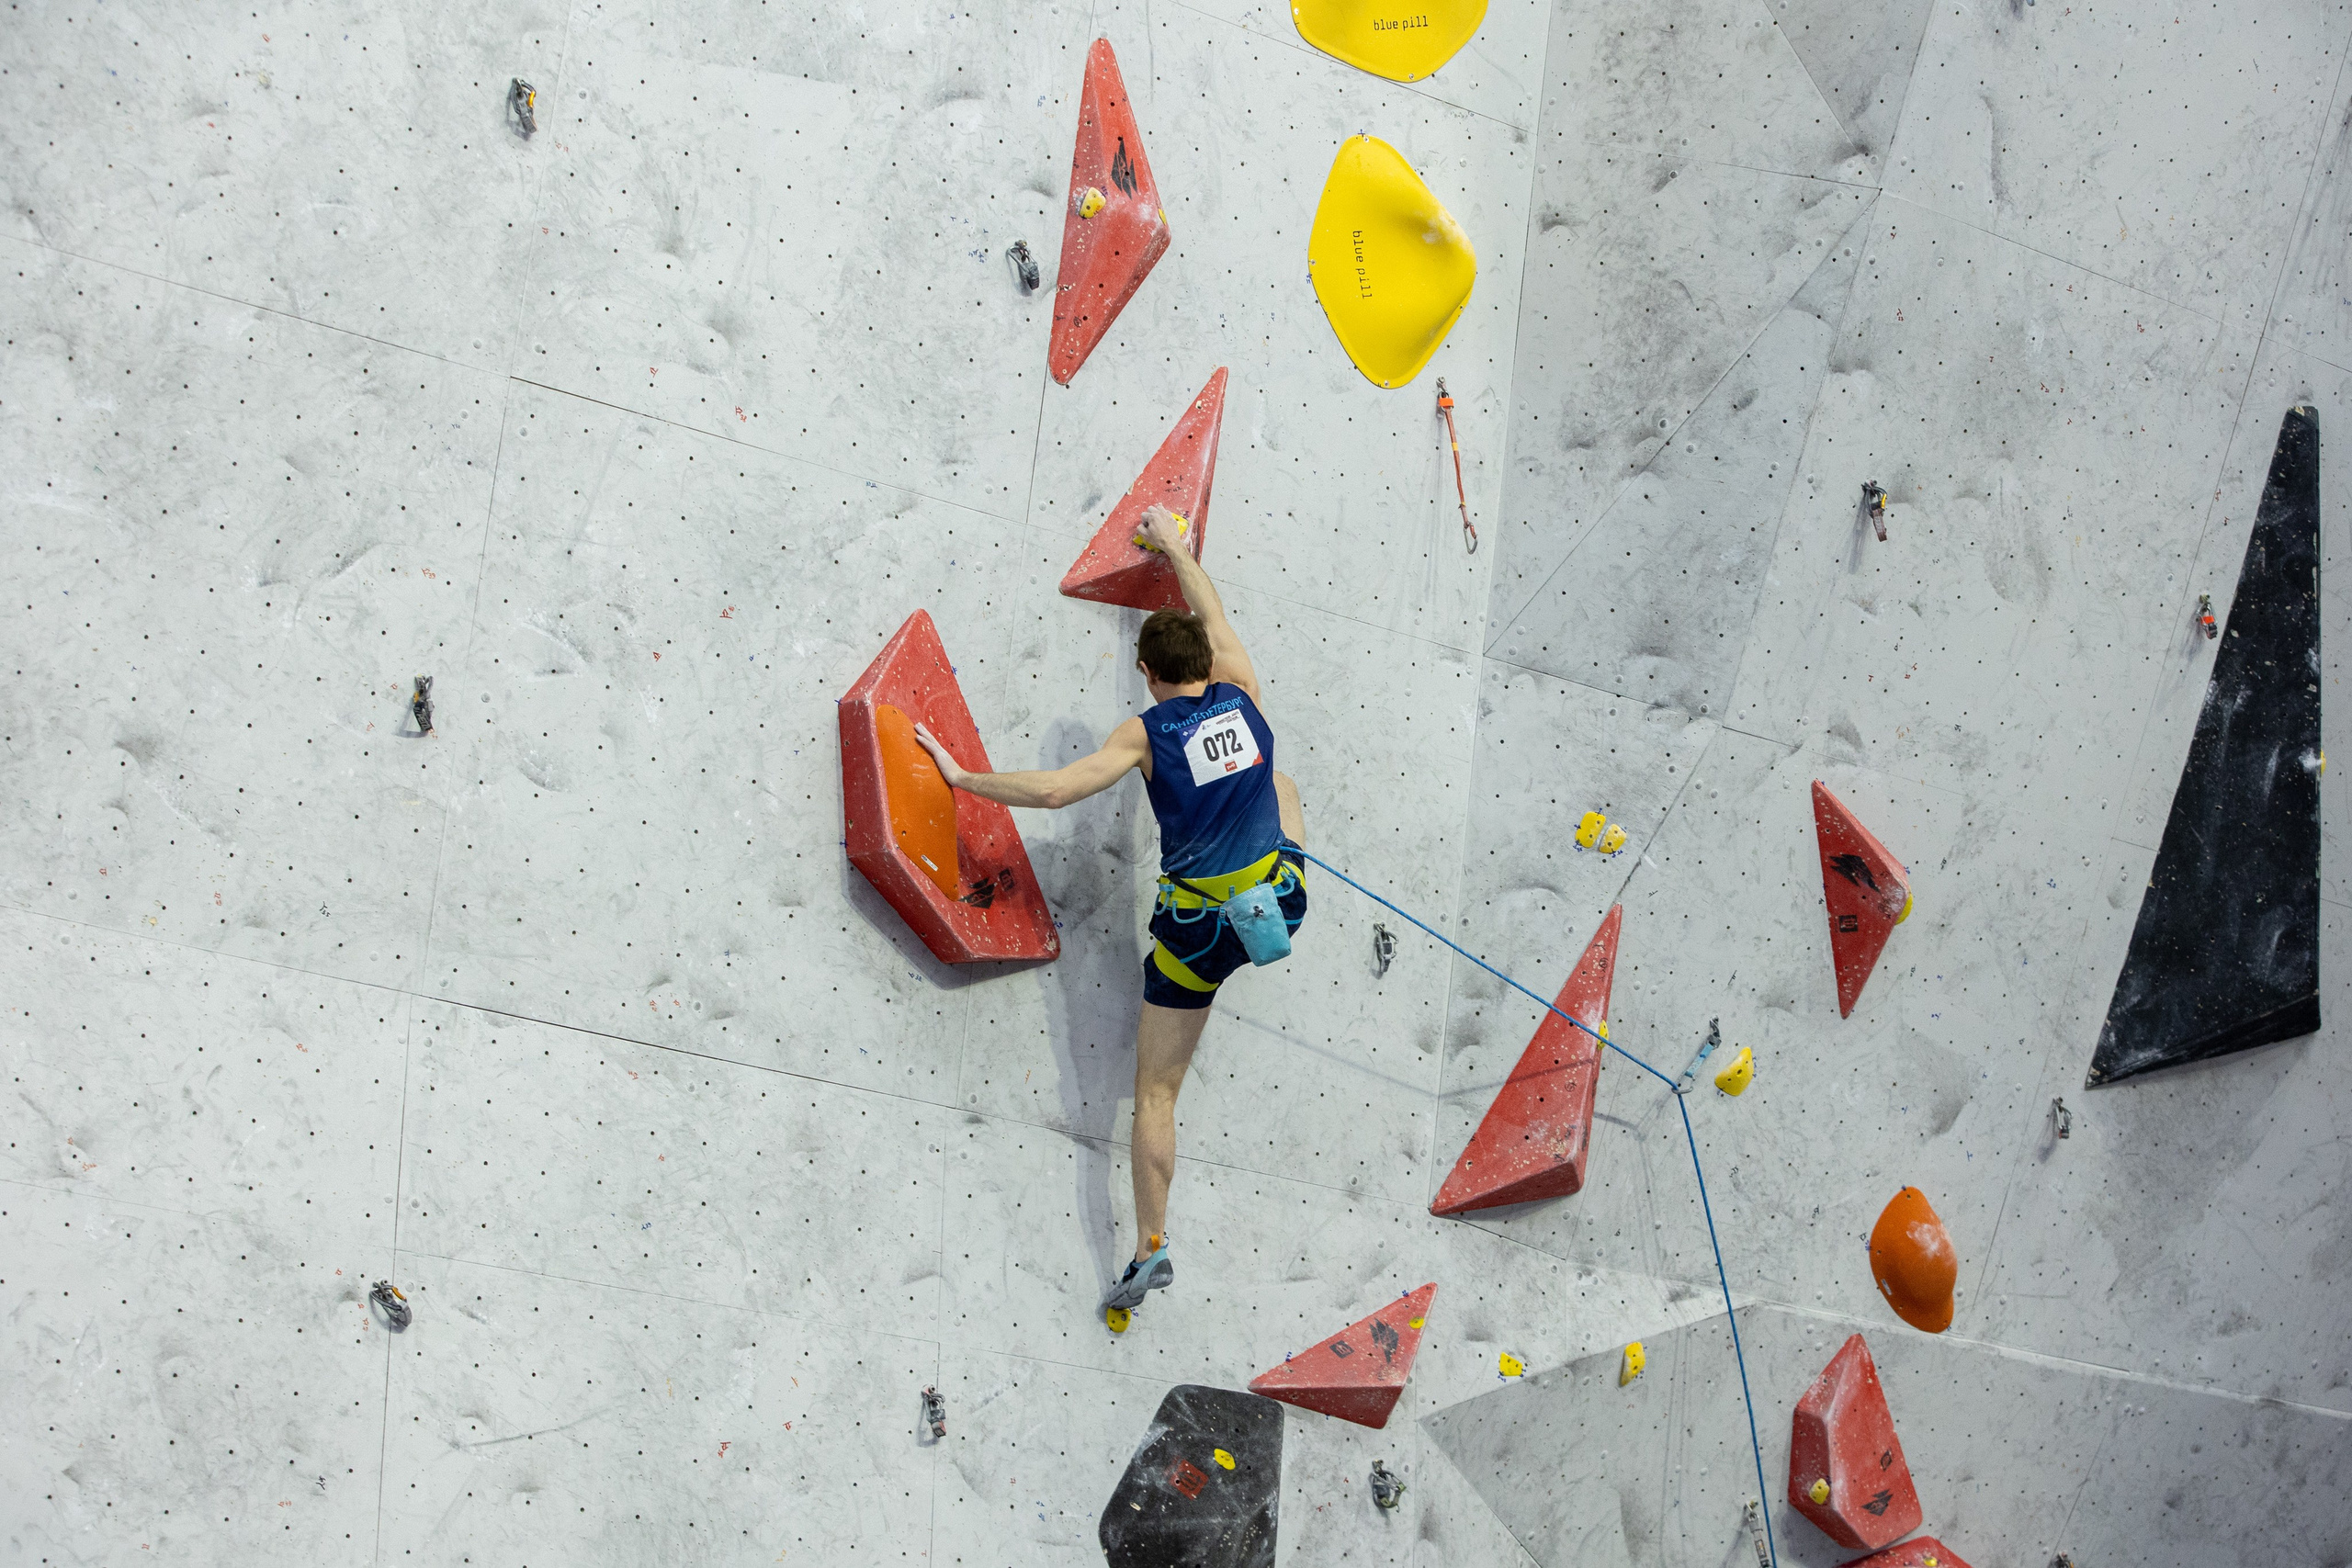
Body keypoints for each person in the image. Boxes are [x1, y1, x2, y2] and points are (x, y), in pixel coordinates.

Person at [913, 502, 1306, 1316]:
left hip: (1199, 936)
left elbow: (1058, 791)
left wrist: (963, 779)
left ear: (1149, 673)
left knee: (1155, 1092)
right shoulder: (1243, 688)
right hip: (1280, 902)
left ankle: (1150, 1244)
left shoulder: (1145, 732)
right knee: (1284, 786)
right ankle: (1268, 884)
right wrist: (1174, 546)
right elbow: (1211, 609)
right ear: (1205, 661)